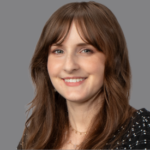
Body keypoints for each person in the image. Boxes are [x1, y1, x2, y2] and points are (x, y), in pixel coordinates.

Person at [17, 1, 150, 149]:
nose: (69, 66)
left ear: (112, 59)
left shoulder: (142, 130)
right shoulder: (36, 134)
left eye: (85, 50)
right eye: (58, 51)